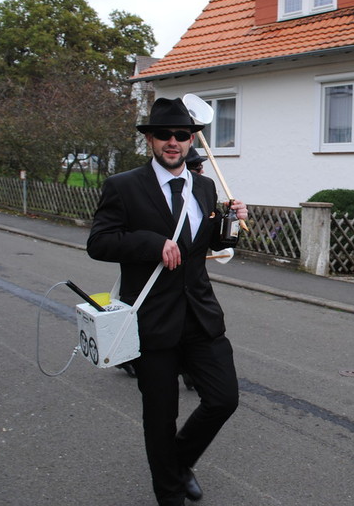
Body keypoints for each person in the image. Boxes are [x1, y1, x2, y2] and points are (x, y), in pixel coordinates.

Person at [87, 97, 248, 506]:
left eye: (181, 134)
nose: (172, 141)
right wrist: (151, 243)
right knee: (160, 417)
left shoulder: (204, 186)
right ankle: (169, 493)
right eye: (163, 135)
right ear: (150, 140)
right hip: (152, 321)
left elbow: (208, 245)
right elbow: (99, 242)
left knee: (223, 398)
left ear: (191, 140)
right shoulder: (124, 186)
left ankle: (177, 463)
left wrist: (230, 223)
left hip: (200, 316)